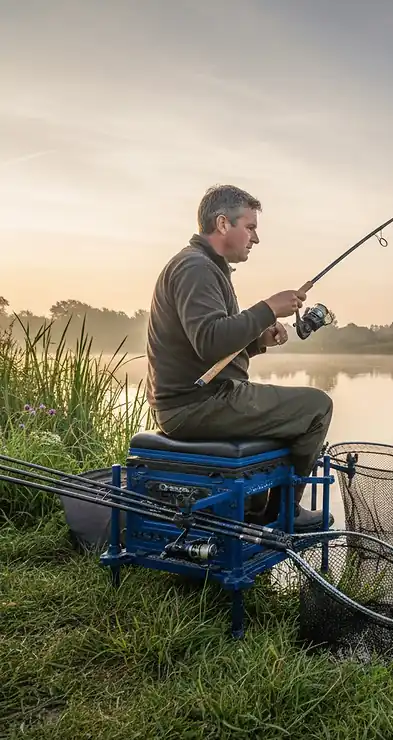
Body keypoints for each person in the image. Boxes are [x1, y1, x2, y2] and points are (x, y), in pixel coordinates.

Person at [144, 184, 334, 532]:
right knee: (316, 407)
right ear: (222, 224)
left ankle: (257, 506)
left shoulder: (205, 267)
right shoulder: (195, 268)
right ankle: (282, 514)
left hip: (199, 399)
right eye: (250, 227)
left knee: (297, 410)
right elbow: (210, 342)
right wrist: (267, 309)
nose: (255, 238)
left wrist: (257, 339)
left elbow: (209, 343)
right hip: (196, 404)